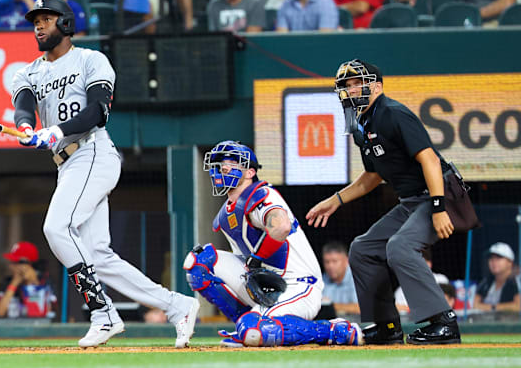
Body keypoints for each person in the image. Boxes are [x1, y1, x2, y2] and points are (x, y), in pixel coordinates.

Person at [11, 0, 199, 348]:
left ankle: (102, 312)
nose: (38, 25)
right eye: (35, 19)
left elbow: (98, 111)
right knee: (98, 256)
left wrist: (57, 130)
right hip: (66, 164)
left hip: (93, 152)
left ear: (66, 23)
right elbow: (23, 106)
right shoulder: (28, 72)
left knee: (56, 227)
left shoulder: (90, 60)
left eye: (47, 18)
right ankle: (178, 305)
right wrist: (25, 128)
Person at [306, 59, 461, 345]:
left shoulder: (393, 113)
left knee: (400, 246)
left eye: (357, 83)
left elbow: (429, 159)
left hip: (441, 195)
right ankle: (386, 326)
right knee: (363, 249)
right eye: (346, 85)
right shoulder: (362, 124)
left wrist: (439, 207)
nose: (351, 90)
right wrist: (336, 200)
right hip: (413, 201)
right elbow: (372, 177)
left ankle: (444, 322)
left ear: (376, 86)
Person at [184, 141, 362, 347]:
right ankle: (246, 325)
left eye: (232, 163)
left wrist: (256, 259)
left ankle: (334, 330)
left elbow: (281, 226)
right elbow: (242, 261)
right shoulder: (226, 215)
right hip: (267, 286)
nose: (223, 167)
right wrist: (252, 266)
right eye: (220, 163)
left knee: (256, 331)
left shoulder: (262, 194)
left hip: (299, 285)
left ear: (250, 172)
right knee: (197, 263)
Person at [0, 241, 58, 318]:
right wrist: (14, 283)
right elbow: (0, 312)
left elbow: (51, 311)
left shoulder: (45, 282)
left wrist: (33, 283)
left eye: (15, 262)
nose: (10, 265)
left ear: (29, 264)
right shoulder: (8, 282)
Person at [473, 242, 520, 312]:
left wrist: (493, 308)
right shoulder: (487, 282)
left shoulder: (517, 279)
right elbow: (474, 305)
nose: (494, 262)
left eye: (498, 258)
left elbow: (518, 306)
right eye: (491, 258)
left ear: (510, 262)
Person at [321, 241, 359, 314]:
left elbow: (361, 309)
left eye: (334, 261)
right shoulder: (322, 279)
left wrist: (330, 307)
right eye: (327, 262)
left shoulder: (358, 278)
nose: (330, 266)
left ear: (347, 261)